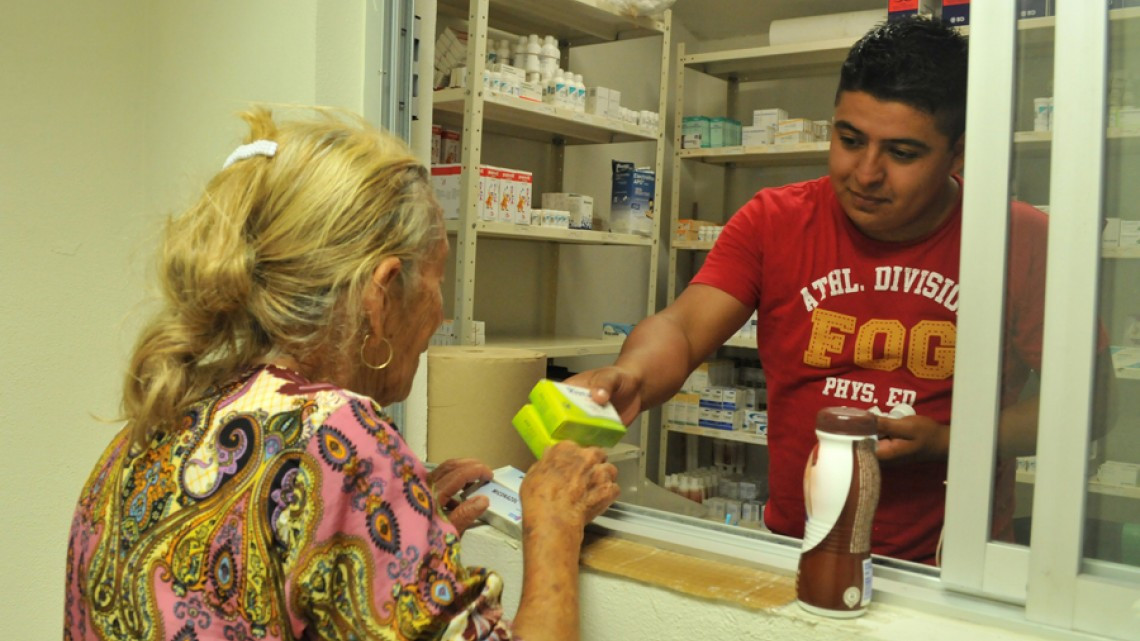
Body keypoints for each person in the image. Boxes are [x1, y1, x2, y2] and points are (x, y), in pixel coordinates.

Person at [64, 107, 619, 641]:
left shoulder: (158, 418)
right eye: (438, 281)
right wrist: (553, 524)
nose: (441, 314)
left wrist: (395, 530)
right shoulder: (345, 441)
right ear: (382, 294)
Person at [566, 16, 1049, 565]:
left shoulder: (1017, 238)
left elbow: (1088, 405)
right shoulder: (775, 220)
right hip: (796, 551)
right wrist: (632, 374)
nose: (865, 173)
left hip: (954, 567)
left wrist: (950, 441)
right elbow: (682, 326)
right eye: (850, 140)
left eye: (902, 153)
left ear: (958, 153)